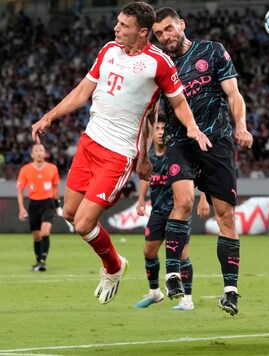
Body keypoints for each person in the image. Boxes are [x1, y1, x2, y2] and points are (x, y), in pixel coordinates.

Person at [31, 1, 210, 305]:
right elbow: (82, 90)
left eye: (124, 26)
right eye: (117, 23)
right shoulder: (108, 50)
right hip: (89, 143)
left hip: (117, 154)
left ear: (143, 32)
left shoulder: (159, 63)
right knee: (71, 215)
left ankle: (113, 267)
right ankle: (114, 263)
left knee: (85, 224)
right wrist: (50, 116)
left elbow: (178, 103)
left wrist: (192, 127)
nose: (116, 28)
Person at [152, 7, 253, 315]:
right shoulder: (159, 66)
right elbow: (148, 113)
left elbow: (233, 94)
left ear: (182, 25)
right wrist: (143, 152)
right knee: (182, 202)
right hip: (180, 141)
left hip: (217, 140)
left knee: (226, 217)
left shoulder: (212, 51)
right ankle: (171, 275)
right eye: (158, 33)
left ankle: (231, 291)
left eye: (169, 29)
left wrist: (241, 125)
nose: (165, 36)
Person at [134, 115, 211, 310]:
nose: (160, 132)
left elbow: (200, 174)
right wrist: (141, 199)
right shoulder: (150, 156)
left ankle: (187, 299)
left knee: (182, 254)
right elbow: (145, 177)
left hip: (178, 212)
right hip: (158, 211)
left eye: (163, 128)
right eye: (157, 128)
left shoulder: (178, 155)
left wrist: (204, 198)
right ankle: (154, 293)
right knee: (148, 252)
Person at [16, 144, 61, 272]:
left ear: (45, 153)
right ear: (32, 154)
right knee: (36, 236)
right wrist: (21, 208)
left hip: (48, 203)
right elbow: (20, 189)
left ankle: (43, 261)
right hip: (34, 205)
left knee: (45, 231)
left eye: (41, 150)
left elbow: (55, 188)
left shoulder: (52, 168)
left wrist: (57, 206)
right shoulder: (25, 170)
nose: (39, 152)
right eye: (36, 150)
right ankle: (38, 261)